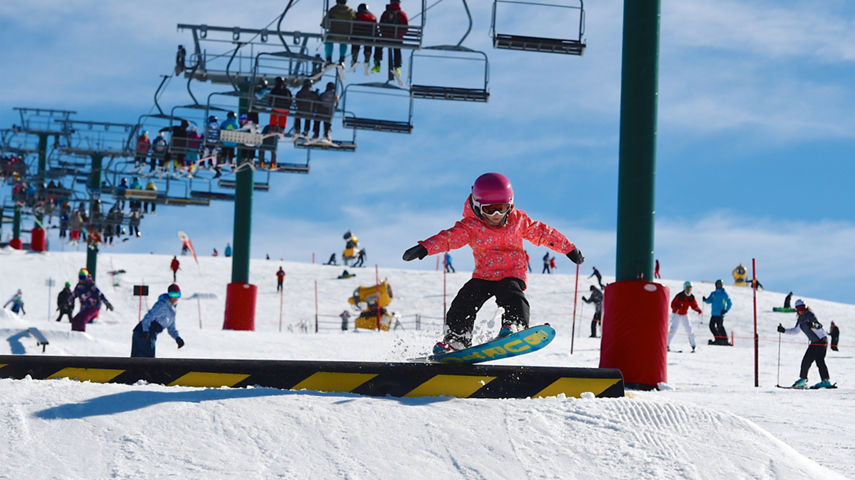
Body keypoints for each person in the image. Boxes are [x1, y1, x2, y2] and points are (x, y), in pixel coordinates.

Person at [401, 172, 584, 353]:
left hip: (512, 272)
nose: (496, 215)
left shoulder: (518, 221)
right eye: (489, 210)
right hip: (484, 275)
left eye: (502, 208)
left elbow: (543, 233)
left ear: (510, 205)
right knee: (464, 300)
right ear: (477, 205)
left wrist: (568, 248)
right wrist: (425, 248)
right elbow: (449, 238)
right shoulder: (471, 226)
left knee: (511, 293)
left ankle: (515, 324)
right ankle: (458, 337)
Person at [777, 299, 834, 388]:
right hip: (814, 342)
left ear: (805, 307)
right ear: (796, 309)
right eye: (799, 308)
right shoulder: (800, 319)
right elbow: (795, 331)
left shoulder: (810, 314)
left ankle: (826, 381)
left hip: (821, 340)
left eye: (803, 308)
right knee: (806, 360)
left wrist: (813, 325)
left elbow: (819, 325)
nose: (801, 310)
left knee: (819, 360)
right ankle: (803, 379)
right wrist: (784, 330)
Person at [131, 283, 185, 358]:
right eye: (173, 294)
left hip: (150, 334)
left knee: (146, 360)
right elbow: (148, 317)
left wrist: (177, 338)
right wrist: (145, 331)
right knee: (145, 361)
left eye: (178, 295)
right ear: (169, 295)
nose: (175, 297)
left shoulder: (172, 311)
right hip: (142, 333)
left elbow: (171, 328)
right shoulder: (162, 305)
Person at [68, 268, 113, 332]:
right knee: (75, 320)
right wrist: (67, 301)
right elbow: (73, 295)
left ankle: (81, 335)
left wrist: (106, 303)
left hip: (94, 306)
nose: (81, 279)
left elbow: (100, 294)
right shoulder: (78, 286)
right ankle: (74, 334)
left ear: (86, 277)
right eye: (80, 277)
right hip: (85, 307)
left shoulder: (91, 285)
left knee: (82, 320)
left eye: (83, 277)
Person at [379, 0, 409, 85]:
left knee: (378, 45)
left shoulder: (386, 13)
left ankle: (377, 61)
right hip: (397, 38)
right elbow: (405, 26)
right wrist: (400, 34)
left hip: (386, 36)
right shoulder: (401, 14)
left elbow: (381, 24)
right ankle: (397, 66)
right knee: (397, 50)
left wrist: (384, 33)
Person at [667, 281, 702, 352]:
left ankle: (693, 345)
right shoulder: (680, 296)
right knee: (673, 329)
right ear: (684, 288)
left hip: (684, 314)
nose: (689, 289)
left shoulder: (691, 297)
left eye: (690, 288)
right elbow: (673, 304)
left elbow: (694, 305)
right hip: (676, 314)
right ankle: (666, 345)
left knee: (689, 328)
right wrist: (676, 308)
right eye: (687, 288)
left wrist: (698, 310)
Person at [322, 0, 356, 66]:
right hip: (345, 35)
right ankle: (342, 59)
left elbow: (325, 22)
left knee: (328, 40)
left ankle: (328, 58)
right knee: (344, 42)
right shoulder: (350, 11)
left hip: (333, 34)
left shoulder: (333, 10)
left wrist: (323, 24)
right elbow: (354, 20)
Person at [351, 3, 381, 75]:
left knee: (355, 40)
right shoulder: (373, 17)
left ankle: (354, 58)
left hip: (357, 36)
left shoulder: (356, 15)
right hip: (369, 37)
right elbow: (376, 30)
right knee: (369, 42)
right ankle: (367, 58)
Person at [703, 279, 732, 345]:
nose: (719, 285)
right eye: (718, 284)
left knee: (720, 326)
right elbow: (709, 300)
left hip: (720, 314)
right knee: (711, 326)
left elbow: (729, 303)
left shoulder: (724, 294)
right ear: (716, 285)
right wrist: (705, 300)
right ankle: (718, 339)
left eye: (720, 284)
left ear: (722, 285)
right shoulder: (713, 294)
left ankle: (725, 340)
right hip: (713, 313)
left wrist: (725, 310)